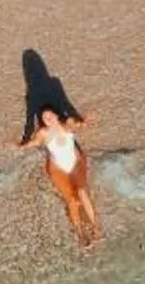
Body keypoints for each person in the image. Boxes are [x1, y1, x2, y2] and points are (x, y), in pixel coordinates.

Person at [18, 101, 100, 247]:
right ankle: (80, 232)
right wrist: (19, 145)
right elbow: (34, 143)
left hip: (76, 163)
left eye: (49, 115)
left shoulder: (66, 125)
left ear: (56, 115)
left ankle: (95, 226)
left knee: (82, 192)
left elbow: (79, 125)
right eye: (44, 118)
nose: (47, 119)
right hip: (57, 168)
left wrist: (86, 119)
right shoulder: (43, 133)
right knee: (72, 200)